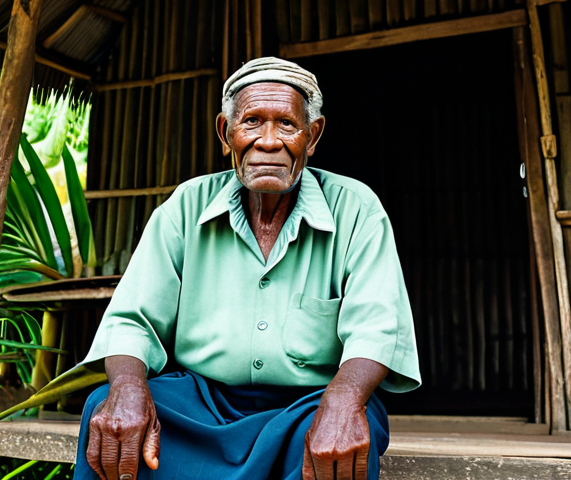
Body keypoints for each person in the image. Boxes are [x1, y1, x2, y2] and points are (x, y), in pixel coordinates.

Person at [73, 57, 421, 480]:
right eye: (252, 122)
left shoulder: (356, 208)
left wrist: (345, 399)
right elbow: (131, 320)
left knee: (344, 431)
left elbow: (376, 327)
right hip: (200, 405)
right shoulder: (186, 206)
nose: (269, 141)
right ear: (226, 134)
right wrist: (127, 389)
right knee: (108, 406)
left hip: (307, 407)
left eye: (288, 125)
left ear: (312, 137)